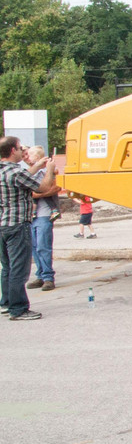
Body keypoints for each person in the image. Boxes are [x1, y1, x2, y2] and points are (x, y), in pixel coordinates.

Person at [1, 136, 54, 321]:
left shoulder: (4, 171)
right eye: (19, 148)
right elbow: (44, 186)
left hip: (3, 225)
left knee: (7, 267)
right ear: (12, 151)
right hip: (18, 225)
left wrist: (36, 166)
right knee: (19, 270)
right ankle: (19, 309)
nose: (22, 151)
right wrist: (49, 170)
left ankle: (7, 303)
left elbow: (23, 178)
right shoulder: (16, 172)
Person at [25, 146, 58, 292]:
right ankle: (41, 274)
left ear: (38, 158)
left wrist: (34, 194)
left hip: (44, 214)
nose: (26, 156)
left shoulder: (46, 172)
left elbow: (51, 188)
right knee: (34, 248)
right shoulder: (26, 174)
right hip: (30, 216)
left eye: (29, 154)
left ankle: (48, 277)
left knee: (42, 246)